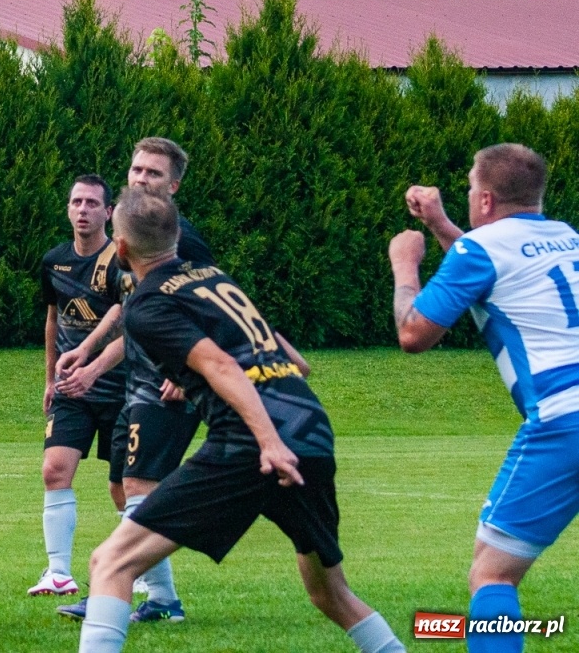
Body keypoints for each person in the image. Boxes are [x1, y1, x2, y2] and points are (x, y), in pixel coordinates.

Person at [73, 186, 406, 653]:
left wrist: (268, 442)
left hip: (255, 443)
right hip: (310, 430)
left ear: (120, 248)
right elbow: (292, 360)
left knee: (110, 562)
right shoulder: (212, 276)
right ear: (176, 236)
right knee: (330, 592)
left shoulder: (146, 305)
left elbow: (222, 366)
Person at [389, 144, 579, 653]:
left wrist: (405, 265)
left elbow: (414, 333)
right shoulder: (566, 236)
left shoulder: (481, 252)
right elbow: (496, 268)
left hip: (565, 421)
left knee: (492, 576)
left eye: (472, 189)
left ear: (487, 201)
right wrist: (440, 223)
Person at [57, 138, 213, 623]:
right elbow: (132, 308)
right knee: (123, 490)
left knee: (140, 484)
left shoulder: (182, 240)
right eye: (136, 169)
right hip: (137, 379)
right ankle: (163, 600)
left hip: (168, 382)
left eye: (153, 173)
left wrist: (188, 376)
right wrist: (88, 352)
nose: (141, 179)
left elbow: (210, 304)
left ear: (174, 185)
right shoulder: (132, 234)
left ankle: (113, 586)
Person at [30, 175, 128, 599]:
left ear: (108, 212)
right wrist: (51, 378)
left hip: (123, 388)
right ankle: (57, 573)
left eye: (92, 203)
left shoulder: (121, 260)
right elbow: (54, 319)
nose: (83, 209)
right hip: (72, 388)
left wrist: (90, 359)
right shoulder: (54, 261)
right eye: (76, 202)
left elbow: (128, 317)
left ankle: (138, 568)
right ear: (68, 209)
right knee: (54, 470)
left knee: (123, 487)